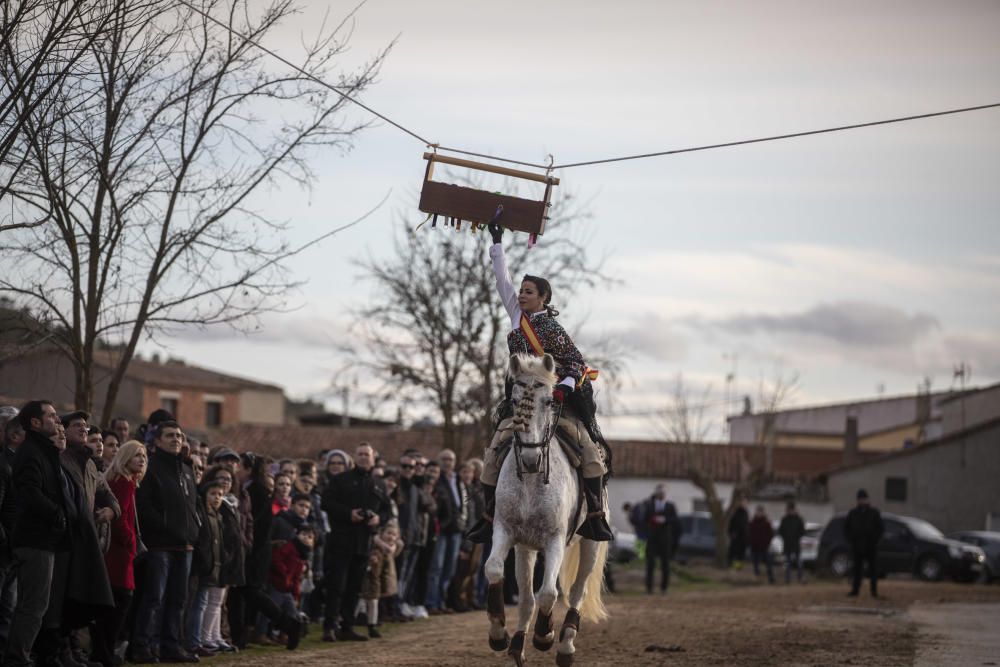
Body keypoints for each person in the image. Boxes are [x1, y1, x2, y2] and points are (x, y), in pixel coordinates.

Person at [467, 217, 613, 544]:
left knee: (590, 451)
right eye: (521, 290)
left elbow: (577, 362)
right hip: (520, 402)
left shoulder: (553, 330)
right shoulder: (516, 316)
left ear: (543, 297)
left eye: (528, 291)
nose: (520, 294)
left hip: (555, 403)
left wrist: (563, 386)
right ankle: (488, 515)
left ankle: (594, 516)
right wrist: (496, 242)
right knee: (493, 452)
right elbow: (501, 280)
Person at [4, 400, 76, 666]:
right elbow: (30, 492)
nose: (57, 420)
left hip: (45, 539)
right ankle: (16, 658)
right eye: (52, 416)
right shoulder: (31, 452)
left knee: (35, 605)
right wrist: (57, 513)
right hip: (35, 540)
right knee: (33, 606)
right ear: (35, 422)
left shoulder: (43, 451)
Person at [131, 420, 200, 663]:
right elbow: (143, 506)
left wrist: (194, 530)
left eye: (179, 436)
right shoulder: (150, 468)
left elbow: (194, 506)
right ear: (157, 440)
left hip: (186, 546)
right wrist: (165, 527)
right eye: (170, 436)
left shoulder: (188, 470)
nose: (176, 440)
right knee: (154, 598)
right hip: (160, 545)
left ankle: (171, 646)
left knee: (179, 600)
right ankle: (142, 646)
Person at [321, 442, 390, 642]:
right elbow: (326, 503)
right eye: (359, 454)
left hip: (364, 543)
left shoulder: (379, 483)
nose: (363, 457)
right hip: (341, 541)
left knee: (354, 587)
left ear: (373, 457)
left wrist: (379, 519)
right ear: (354, 457)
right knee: (337, 586)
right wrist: (348, 514)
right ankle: (329, 627)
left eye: (366, 454)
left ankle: (347, 627)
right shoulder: (341, 480)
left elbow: (386, 510)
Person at [95, 441, 146, 667]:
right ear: (125, 458)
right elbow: (120, 518)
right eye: (137, 455)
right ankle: (104, 654)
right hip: (118, 552)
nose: (142, 459)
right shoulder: (123, 483)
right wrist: (130, 541)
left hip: (118, 551)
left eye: (144, 455)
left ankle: (104, 652)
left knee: (113, 603)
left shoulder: (126, 481)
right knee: (119, 601)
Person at [425, 449, 469, 613]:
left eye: (450, 459)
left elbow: (463, 505)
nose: (447, 462)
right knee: (436, 567)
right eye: (443, 459)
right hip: (442, 530)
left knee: (449, 569)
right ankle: (432, 602)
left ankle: (441, 602)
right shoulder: (436, 480)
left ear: (454, 462)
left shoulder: (458, 479)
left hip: (456, 530)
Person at [0, 409, 25, 651]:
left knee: (9, 604)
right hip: (5, 547)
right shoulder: (4, 464)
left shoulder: (18, 462)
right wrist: (7, 541)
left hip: (14, 546)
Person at [359, 522, 402, 638]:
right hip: (370, 580)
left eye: (394, 535)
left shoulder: (391, 550)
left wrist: (391, 545)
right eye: (388, 533)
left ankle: (372, 625)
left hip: (380, 583)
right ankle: (361, 620)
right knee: (364, 601)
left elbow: (400, 544)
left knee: (374, 603)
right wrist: (379, 542)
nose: (391, 537)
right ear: (381, 534)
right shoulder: (375, 548)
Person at [641, 484, 681, 594]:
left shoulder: (670, 506)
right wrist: (651, 522)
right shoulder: (649, 505)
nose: (661, 494)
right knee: (650, 563)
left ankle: (664, 588)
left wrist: (665, 519)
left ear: (666, 494)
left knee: (665, 564)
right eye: (659, 492)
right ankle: (649, 589)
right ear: (656, 493)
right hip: (652, 538)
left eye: (663, 493)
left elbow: (675, 521)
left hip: (666, 539)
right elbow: (644, 520)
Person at [844, 489, 883, 597]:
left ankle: (874, 591)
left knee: (873, 570)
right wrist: (851, 540)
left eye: (863, 499)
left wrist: (875, 540)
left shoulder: (874, 513)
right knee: (857, 569)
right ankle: (855, 590)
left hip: (871, 546)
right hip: (857, 546)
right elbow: (846, 528)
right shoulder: (853, 513)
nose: (862, 501)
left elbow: (880, 528)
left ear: (867, 499)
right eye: (860, 499)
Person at [779, 501, 806, 584]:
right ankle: (787, 579)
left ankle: (800, 577)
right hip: (787, 545)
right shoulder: (784, 520)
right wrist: (785, 537)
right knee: (787, 563)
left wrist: (797, 537)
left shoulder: (799, 519)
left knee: (799, 562)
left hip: (796, 544)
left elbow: (802, 531)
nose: (790, 511)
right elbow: (781, 531)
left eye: (792, 509)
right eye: (789, 510)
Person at [748, 505, 775, 584]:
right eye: (757, 512)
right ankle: (757, 579)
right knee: (756, 565)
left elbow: (771, 534)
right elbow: (749, 534)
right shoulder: (752, 523)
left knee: (768, 564)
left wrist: (767, 543)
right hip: (755, 547)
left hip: (764, 547)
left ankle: (771, 579)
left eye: (760, 512)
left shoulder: (767, 523)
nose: (759, 513)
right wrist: (751, 542)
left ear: (763, 513)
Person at [728, 496, 750, 569]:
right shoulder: (736, 513)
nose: (744, 504)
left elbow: (747, 526)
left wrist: (747, 537)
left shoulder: (746, 513)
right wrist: (732, 534)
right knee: (734, 555)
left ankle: (739, 569)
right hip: (736, 539)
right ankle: (733, 569)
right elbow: (731, 525)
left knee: (741, 556)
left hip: (744, 539)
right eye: (743, 502)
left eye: (745, 502)